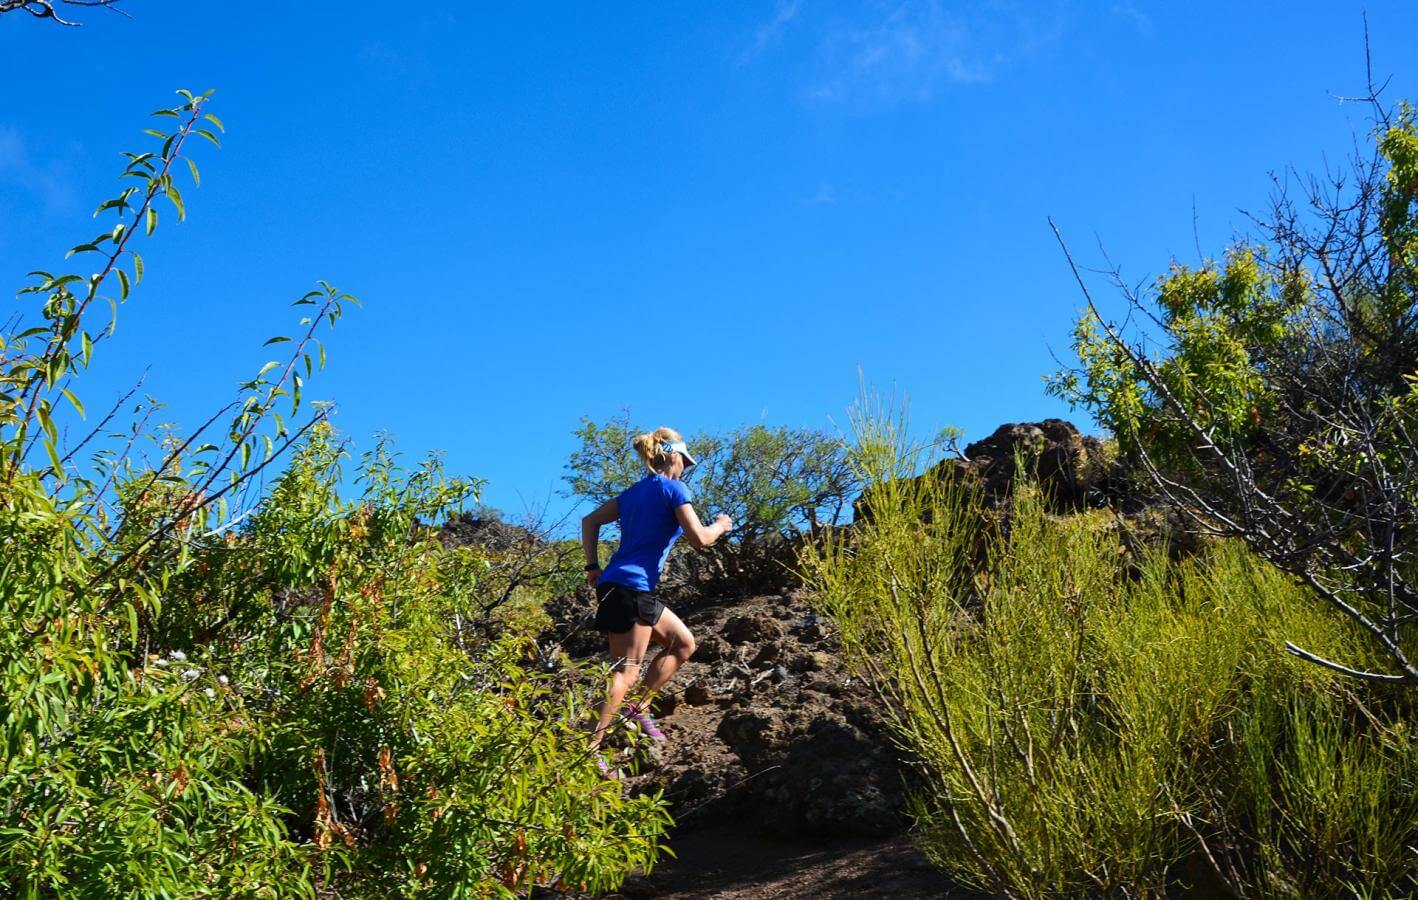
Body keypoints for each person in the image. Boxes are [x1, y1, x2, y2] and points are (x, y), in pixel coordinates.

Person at [581, 426, 732, 776]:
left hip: (625, 587)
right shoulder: (674, 488)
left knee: (683, 643)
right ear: (674, 457)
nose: (685, 469)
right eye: (686, 462)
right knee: (626, 672)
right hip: (630, 588)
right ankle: (588, 749)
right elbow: (700, 540)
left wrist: (593, 567)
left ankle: (637, 708)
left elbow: (590, 521)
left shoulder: (633, 493)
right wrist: (721, 525)